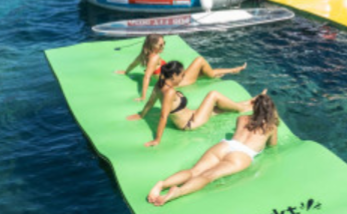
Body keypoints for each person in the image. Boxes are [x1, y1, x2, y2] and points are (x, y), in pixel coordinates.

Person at [147, 93, 279, 206]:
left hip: (225, 146)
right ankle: (178, 192)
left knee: (194, 171)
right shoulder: (271, 127)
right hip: (242, 155)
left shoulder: (241, 119)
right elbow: (272, 146)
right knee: (208, 176)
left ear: (254, 106)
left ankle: (162, 184)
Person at [128, 60, 262, 147]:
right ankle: (244, 108)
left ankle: (250, 102)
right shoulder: (169, 93)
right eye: (181, 75)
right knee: (213, 95)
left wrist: (141, 115)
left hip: (192, 115)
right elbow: (163, 116)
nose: (183, 77)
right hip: (190, 123)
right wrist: (157, 139)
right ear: (173, 76)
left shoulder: (160, 85)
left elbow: (150, 103)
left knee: (221, 106)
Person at [117, 35, 247, 101]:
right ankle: (233, 70)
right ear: (153, 46)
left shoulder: (145, 55)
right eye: (161, 45)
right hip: (180, 81)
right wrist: (143, 96)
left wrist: (126, 72)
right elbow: (146, 76)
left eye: (164, 44)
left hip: (176, 76)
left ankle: (229, 71)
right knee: (201, 61)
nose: (163, 47)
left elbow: (134, 64)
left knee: (205, 71)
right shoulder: (154, 58)